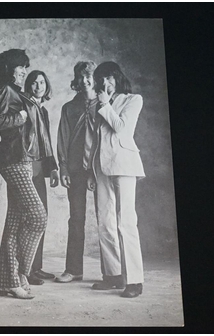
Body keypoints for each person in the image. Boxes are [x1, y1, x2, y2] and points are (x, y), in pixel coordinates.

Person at [0, 49, 49, 300]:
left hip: (23, 159)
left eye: (25, 67)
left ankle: (7, 283)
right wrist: (21, 116)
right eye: (20, 67)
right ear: (8, 69)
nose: (24, 71)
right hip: (13, 159)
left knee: (14, 222)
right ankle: (21, 272)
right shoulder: (4, 89)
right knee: (38, 216)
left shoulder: (18, 92)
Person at [90, 61, 145, 298]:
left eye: (110, 78)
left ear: (118, 78)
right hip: (101, 167)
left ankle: (134, 280)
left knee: (126, 222)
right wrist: (92, 170)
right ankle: (113, 275)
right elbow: (96, 139)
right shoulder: (100, 104)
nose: (106, 83)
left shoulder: (133, 100)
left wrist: (104, 105)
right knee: (105, 221)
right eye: (102, 80)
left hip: (124, 165)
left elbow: (121, 130)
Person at [55, 61, 100, 283]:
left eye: (88, 75)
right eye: (80, 77)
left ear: (95, 77)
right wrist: (63, 167)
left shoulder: (105, 105)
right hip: (75, 169)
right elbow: (63, 138)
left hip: (101, 168)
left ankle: (114, 272)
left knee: (108, 219)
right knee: (76, 218)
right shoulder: (69, 108)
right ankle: (74, 269)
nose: (84, 80)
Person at [23, 70, 59, 286]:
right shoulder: (24, 107)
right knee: (29, 219)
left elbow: (46, 142)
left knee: (41, 217)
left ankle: (35, 267)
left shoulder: (43, 111)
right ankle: (25, 270)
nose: (38, 86)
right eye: (34, 82)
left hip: (39, 170)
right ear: (28, 85)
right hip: (26, 167)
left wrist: (52, 168)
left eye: (42, 82)